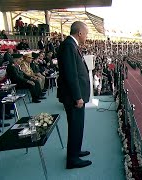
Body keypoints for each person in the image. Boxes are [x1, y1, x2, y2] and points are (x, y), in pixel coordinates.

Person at [57, 21, 92, 169]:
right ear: (79, 33)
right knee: (75, 125)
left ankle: (75, 151)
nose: (86, 36)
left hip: (74, 96)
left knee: (77, 125)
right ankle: (72, 159)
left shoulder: (71, 45)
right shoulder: (69, 46)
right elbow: (71, 75)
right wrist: (78, 97)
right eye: (86, 33)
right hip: (73, 97)